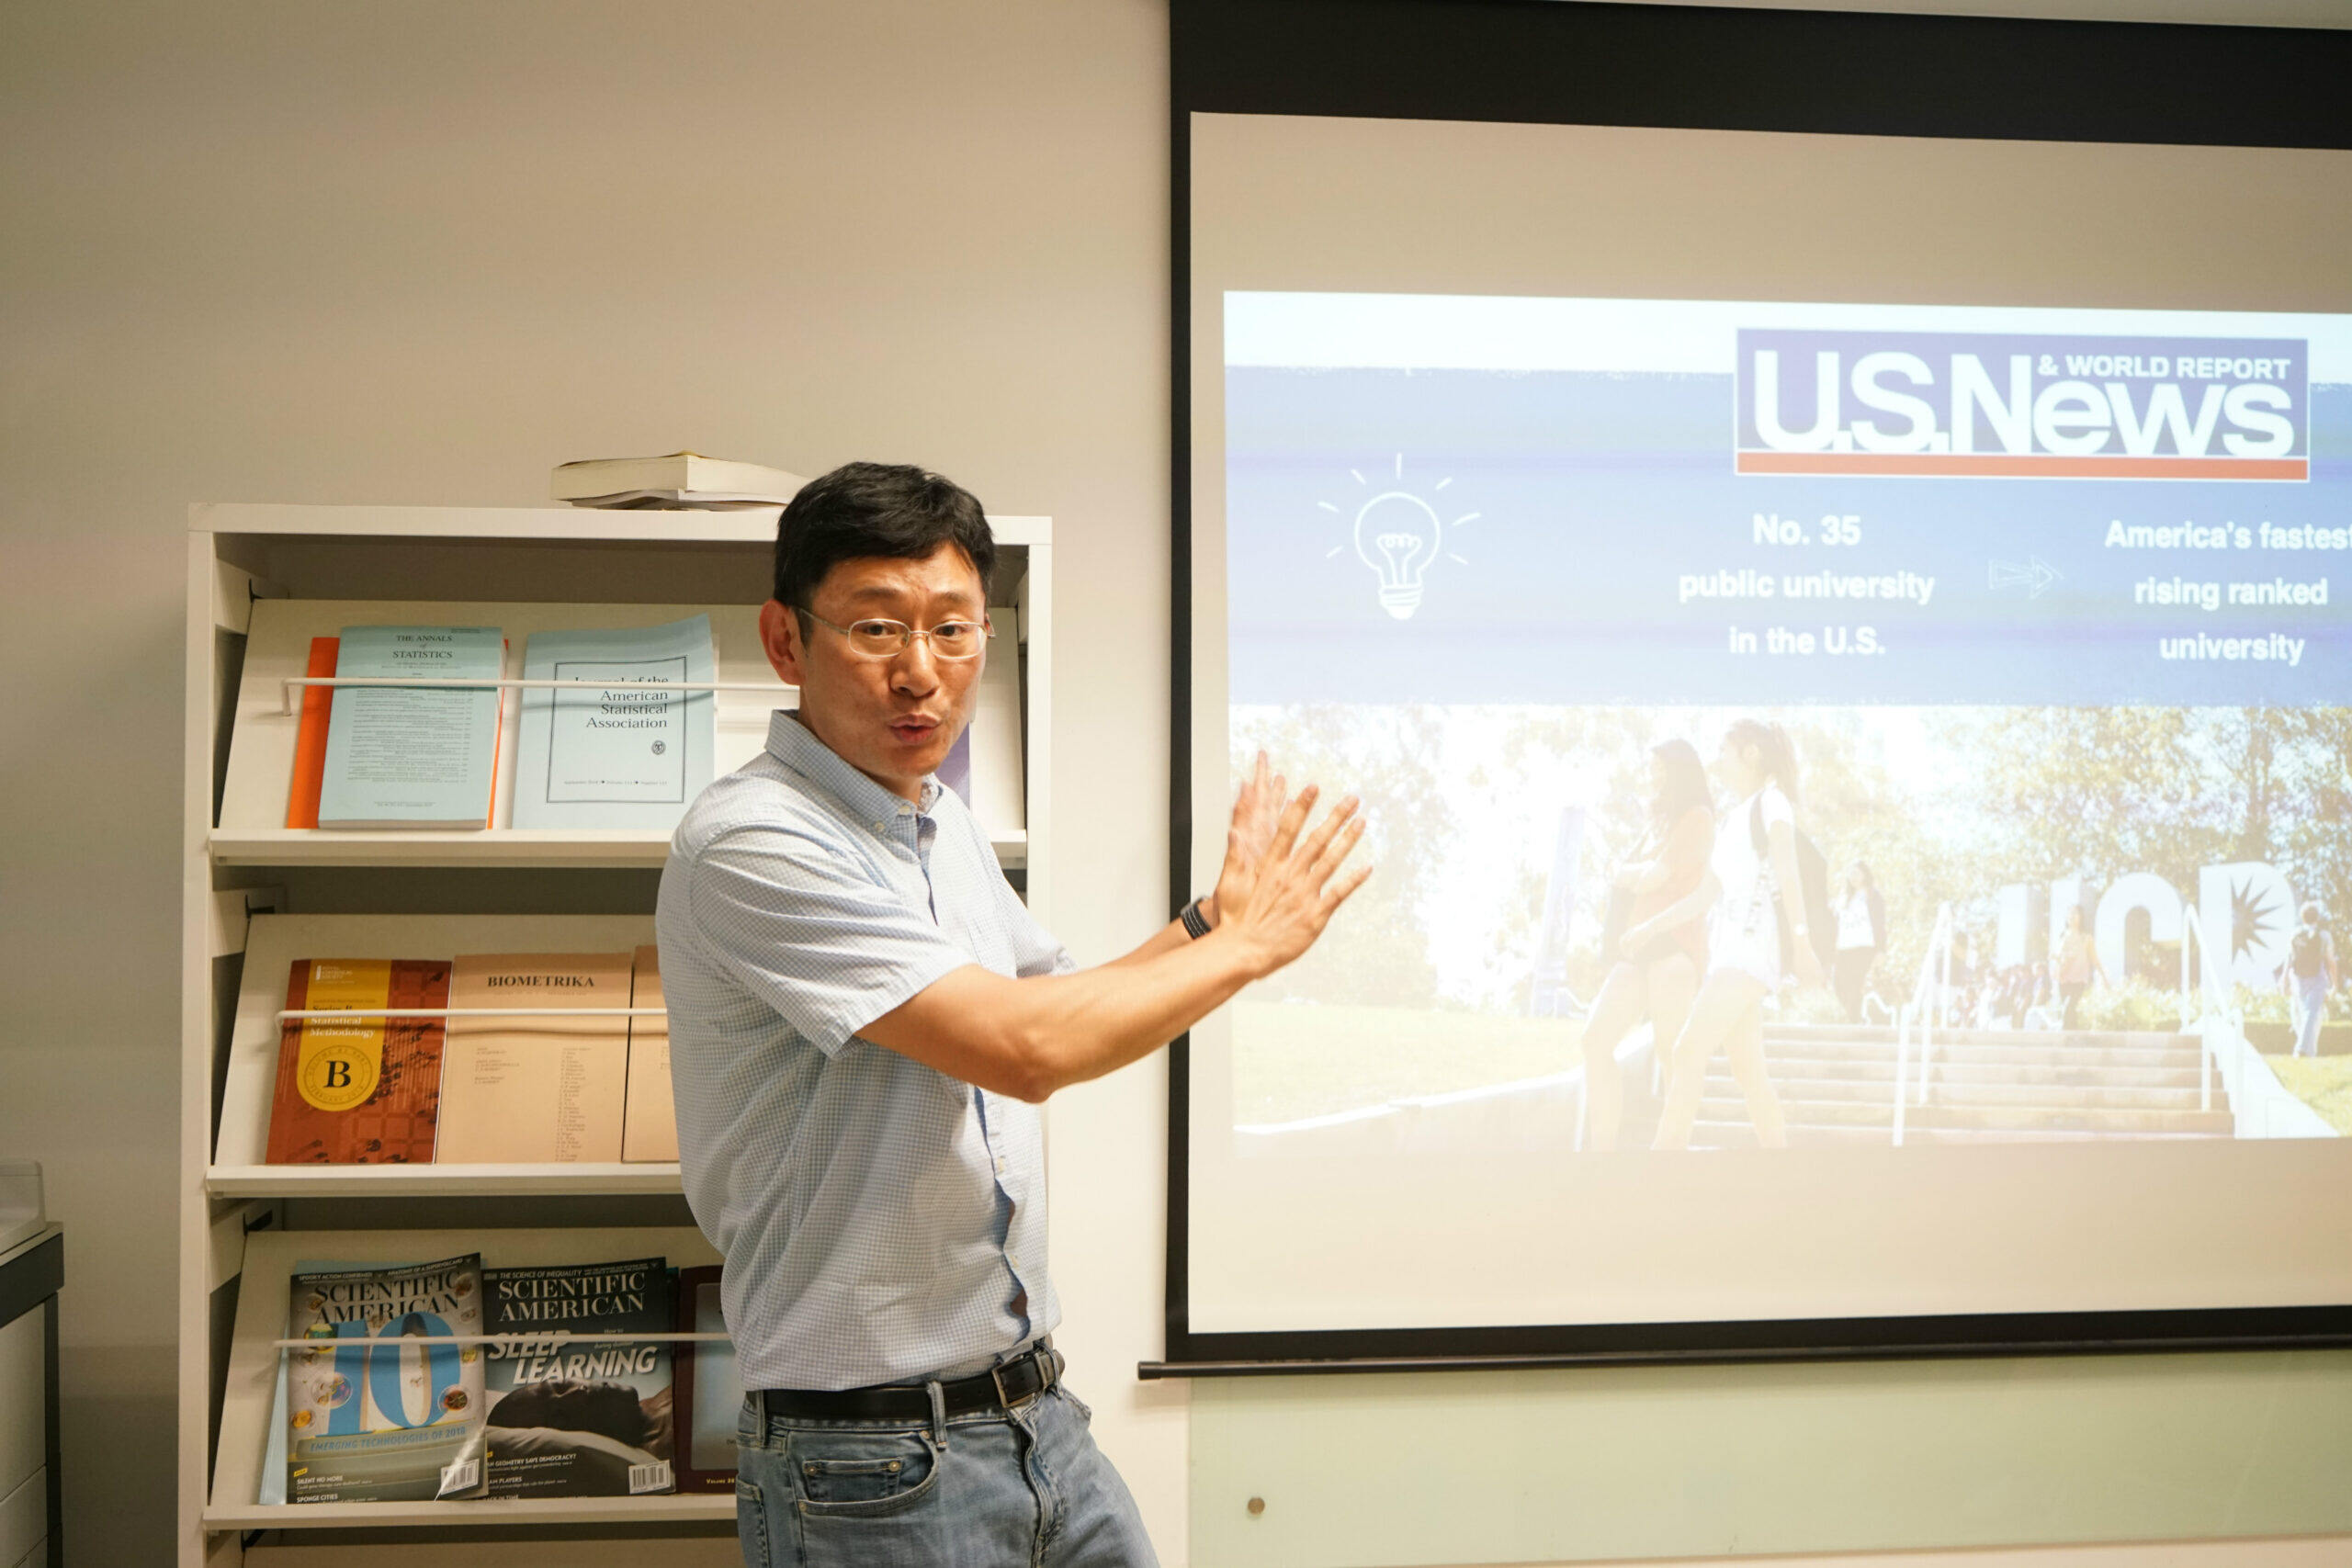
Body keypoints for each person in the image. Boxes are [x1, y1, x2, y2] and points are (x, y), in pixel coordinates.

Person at [655, 462, 1370, 1568]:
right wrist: (1249, 949)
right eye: (876, 629)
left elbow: (1046, 1001)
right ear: (785, 641)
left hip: (1033, 1415)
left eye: (953, 630)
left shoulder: (938, 821)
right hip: (867, 1462)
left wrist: (1205, 926)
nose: (920, 673)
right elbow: (1025, 1052)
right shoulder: (755, 841)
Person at [1651, 719, 1824, 1151]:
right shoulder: (1732, 820)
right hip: (1726, 955)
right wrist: (1647, 929)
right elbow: (1703, 895)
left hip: (1752, 948)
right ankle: (1782, 1165)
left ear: (1751, 754)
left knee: (1688, 1050)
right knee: (1750, 1075)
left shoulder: (1772, 802)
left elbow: (1788, 872)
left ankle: (1661, 1164)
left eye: (1724, 751)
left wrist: (1803, 944)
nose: (1718, 761)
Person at [1577, 739, 1715, 1152]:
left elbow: (1655, 877)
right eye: (1651, 769)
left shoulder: (1698, 817)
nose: (1653, 777)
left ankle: (1672, 1153)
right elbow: (1640, 877)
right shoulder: (1656, 825)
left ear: (1680, 771)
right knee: (1594, 1041)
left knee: (1671, 1053)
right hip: (1636, 947)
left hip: (1674, 944)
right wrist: (1631, 874)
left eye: (1660, 769)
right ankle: (1602, 1152)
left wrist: (1622, 872)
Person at [1829, 861, 1884, 1023]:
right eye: (1851, 873)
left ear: (1864, 875)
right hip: (1844, 947)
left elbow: (1880, 923)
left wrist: (1882, 950)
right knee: (1838, 984)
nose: (1853, 877)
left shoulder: (1872, 895)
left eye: (1857, 873)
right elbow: (1835, 923)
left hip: (1864, 946)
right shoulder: (1844, 897)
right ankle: (1858, 1018)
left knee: (1854, 984)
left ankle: (1855, 1021)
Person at [2285, 903, 2339, 1059]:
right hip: (2317, 979)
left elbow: (2289, 960)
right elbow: (2331, 961)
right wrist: (2335, 984)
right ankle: (2301, 1049)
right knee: (2311, 1013)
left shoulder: (2295, 934)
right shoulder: (2324, 936)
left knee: (2304, 1015)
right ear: (2317, 917)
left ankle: (2309, 1053)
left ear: (2302, 917)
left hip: (2298, 979)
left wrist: (2284, 981)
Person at [2052, 904, 2105, 1031]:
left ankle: (2064, 1035)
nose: (2072, 916)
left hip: (2079, 979)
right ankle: (2072, 1038)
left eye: (2075, 913)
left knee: (2069, 1006)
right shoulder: (2062, 936)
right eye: (2070, 913)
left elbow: (2094, 959)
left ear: (2081, 917)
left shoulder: (2086, 938)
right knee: (2071, 1012)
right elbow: (2059, 957)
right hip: (2063, 978)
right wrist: (2055, 959)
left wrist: (2104, 977)